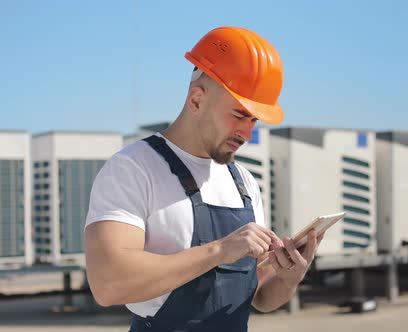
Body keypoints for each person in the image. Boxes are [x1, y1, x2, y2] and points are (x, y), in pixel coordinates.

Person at [84, 26, 323, 332]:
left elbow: (261, 297)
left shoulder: (244, 184)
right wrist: (221, 249)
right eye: (238, 115)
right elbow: (109, 284)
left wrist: (289, 277)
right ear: (196, 100)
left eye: (254, 121)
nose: (247, 133)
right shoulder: (133, 169)